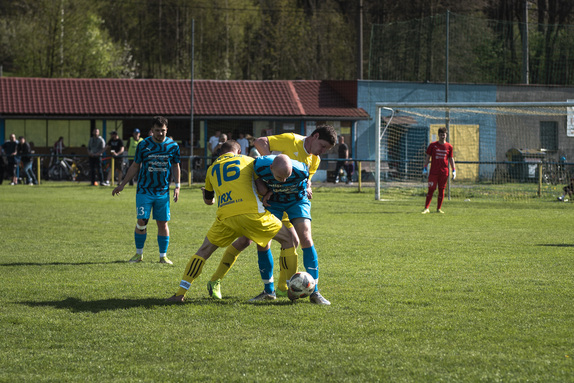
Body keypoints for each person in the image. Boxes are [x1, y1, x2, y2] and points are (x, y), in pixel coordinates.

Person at [208, 125, 337, 305]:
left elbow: (307, 179)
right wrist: (272, 163)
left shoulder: (314, 159)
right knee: (259, 240)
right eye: (322, 146)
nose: (322, 152)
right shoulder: (292, 140)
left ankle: (313, 291)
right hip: (273, 198)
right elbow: (260, 142)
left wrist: (308, 186)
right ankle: (268, 290)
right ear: (314, 136)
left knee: (304, 238)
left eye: (326, 150)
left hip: (296, 200)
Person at [166, 140, 297, 303]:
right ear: (239, 151)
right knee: (288, 240)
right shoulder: (249, 161)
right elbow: (262, 189)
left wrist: (208, 195)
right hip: (252, 214)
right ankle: (292, 289)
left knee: (204, 251)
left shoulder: (211, 169)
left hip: (226, 217)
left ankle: (180, 293)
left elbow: (209, 201)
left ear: (220, 153)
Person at [112, 116, 181, 265]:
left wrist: (177, 186)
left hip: (163, 192)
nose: (160, 134)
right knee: (142, 221)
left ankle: (163, 256)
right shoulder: (143, 145)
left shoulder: (173, 146)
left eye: (163, 131)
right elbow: (135, 166)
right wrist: (122, 184)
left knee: (163, 223)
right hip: (144, 190)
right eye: (157, 131)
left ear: (166, 130)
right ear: (152, 130)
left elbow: (176, 165)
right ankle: (138, 254)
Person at [421, 127, 456, 214]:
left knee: (441, 189)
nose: (442, 136)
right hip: (434, 172)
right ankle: (426, 208)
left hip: (444, 172)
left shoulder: (449, 146)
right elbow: (428, 157)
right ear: (438, 135)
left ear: (446, 135)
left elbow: (451, 159)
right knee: (431, 189)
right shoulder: (432, 145)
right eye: (441, 135)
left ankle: (438, 209)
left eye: (444, 135)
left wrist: (454, 170)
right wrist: (425, 167)